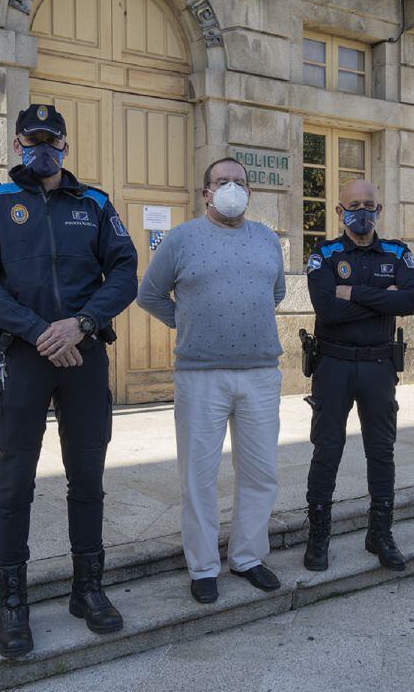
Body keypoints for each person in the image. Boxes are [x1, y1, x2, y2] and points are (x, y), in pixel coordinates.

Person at [0, 104, 138, 658]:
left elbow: (126, 270)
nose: (42, 147)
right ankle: (11, 599)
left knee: (88, 476)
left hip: (83, 354)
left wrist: (80, 324)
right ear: (17, 145)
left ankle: (88, 588)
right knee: (15, 479)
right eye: (31, 139)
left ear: (65, 145)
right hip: (24, 354)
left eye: (51, 139)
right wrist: (42, 331)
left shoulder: (95, 203)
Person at [136, 157, 286, 604]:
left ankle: (248, 557)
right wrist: (191, 325)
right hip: (200, 375)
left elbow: (274, 293)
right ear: (206, 192)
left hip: (260, 373)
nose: (232, 189)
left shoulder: (266, 239)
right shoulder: (182, 239)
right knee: (199, 476)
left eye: (239, 182)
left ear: (249, 192)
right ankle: (202, 566)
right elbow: (149, 295)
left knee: (260, 472)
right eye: (222, 182)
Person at [302, 179, 414, 573]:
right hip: (333, 365)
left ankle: (380, 534)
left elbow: (410, 301)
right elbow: (326, 310)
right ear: (339, 211)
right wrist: (381, 297)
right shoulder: (325, 253)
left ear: (379, 210)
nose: (362, 211)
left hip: (379, 366)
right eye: (353, 204)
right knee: (327, 449)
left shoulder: (398, 252)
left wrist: (350, 292)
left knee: (381, 451)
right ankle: (318, 536)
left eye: (369, 204)